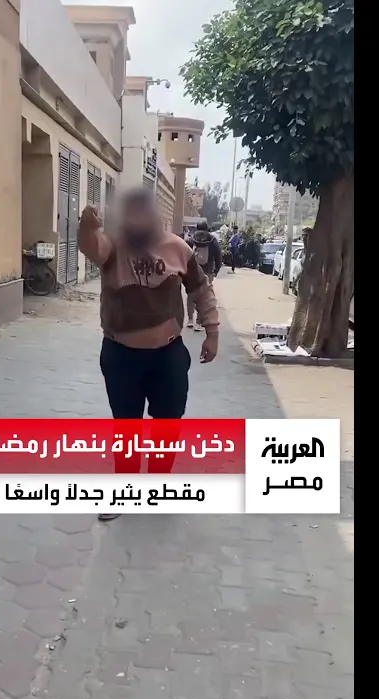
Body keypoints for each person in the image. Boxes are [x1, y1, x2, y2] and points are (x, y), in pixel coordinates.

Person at [79, 190, 219, 521]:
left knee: (167, 424)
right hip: (120, 355)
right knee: (126, 426)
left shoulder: (177, 248)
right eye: (131, 212)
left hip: (168, 355)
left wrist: (212, 332)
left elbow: (201, 289)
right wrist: (86, 226)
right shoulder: (112, 246)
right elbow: (91, 247)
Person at [186, 220, 221, 329]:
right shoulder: (212, 240)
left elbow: (184, 252)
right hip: (208, 270)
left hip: (192, 270)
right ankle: (198, 322)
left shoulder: (191, 239)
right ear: (207, 228)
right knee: (204, 296)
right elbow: (218, 255)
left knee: (191, 295)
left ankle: (190, 320)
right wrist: (217, 269)